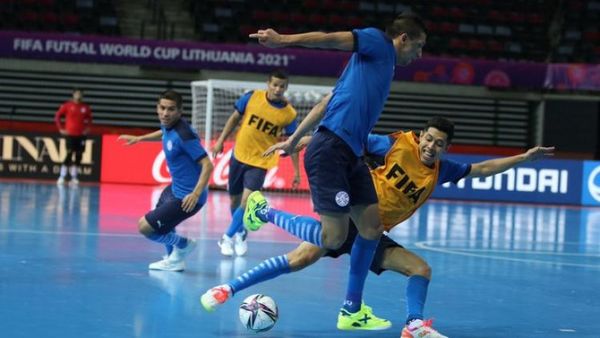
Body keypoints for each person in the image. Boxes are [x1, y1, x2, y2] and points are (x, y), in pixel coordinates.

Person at [201, 116, 555, 337]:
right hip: (357, 213)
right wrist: (300, 142)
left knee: (420, 269)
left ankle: (413, 325)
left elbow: (482, 169)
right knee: (300, 258)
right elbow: (347, 139)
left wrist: (523, 158)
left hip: (374, 232)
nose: (432, 146)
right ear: (421, 136)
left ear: (447, 148)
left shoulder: (441, 170)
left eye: (440, 143)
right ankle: (241, 262)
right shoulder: (395, 145)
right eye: (429, 138)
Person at [241, 13, 428, 330]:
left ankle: (351, 310)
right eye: (419, 47)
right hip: (332, 150)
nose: (419, 55)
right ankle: (264, 211)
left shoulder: (371, 69)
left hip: (352, 154)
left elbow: (326, 103)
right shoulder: (378, 43)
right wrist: (283, 40)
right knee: (334, 237)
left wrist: (294, 139)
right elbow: (331, 37)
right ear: (403, 39)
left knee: (371, 228)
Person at [118, 90, 213, 272]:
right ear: (157, 107)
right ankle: (174, 260)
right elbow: (161, 132)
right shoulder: (168, 125)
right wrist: (140, 139)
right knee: (164, 224)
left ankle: (183, 245)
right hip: (175, 188)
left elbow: (208, 165)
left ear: (180, 111)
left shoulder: (184, 135)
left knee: (145, 227)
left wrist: (195, 193)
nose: (165, 113)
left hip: (188, 198)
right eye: (162, 108)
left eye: (171, 109)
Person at [211, 69, 301, 257]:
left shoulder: (289, 114)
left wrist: (296, 171)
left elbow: (293, 142)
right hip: (239, 155)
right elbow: (234, 119)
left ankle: (226, 237)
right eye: (275, 85)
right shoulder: (251, 97)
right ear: (268, 84)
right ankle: (241, 232)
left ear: (286, 88)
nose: (277, 89)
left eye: (282, 86)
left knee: (246, 201)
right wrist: (220, 141)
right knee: (234, 200)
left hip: (261, 161)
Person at [54, 88, 93, 185]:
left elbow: (89, 119)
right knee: (69, 153)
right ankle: (62, 176)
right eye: (77, 94)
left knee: (79, 155)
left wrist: (87, 128)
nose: (78, 96)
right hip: (70, 134)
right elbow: (58, 116)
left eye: (80, 94)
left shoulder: (85, 107)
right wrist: (61, 128)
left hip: (80, 135)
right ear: (73, 95)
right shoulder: (67, 106)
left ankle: (74, 177)